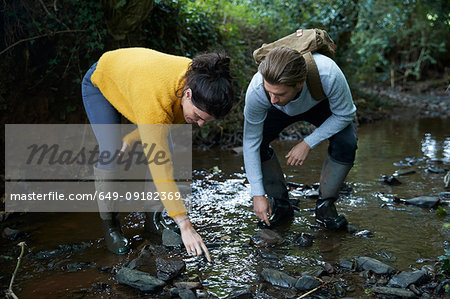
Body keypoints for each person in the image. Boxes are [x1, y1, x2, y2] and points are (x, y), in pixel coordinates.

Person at [81, 47, 233, 259]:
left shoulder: (201, 79)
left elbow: (156, 125)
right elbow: (159, 163)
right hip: (102, 82)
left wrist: (131, 138)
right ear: (187, 95)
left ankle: (153, 220)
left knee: (166, 148)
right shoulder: (157, 95)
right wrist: (184, 223)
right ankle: (111, 226)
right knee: (112, 151)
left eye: (205, 121)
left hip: (138, 87)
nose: (199, 124)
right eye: (198, 116)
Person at [243, 47, 357, 231]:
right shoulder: (258, 90)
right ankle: (280, 205)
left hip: (320, 104)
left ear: (300, 84)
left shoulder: (328, 73)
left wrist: (308, 143)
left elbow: (346, 114)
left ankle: (325, 207)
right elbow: (250, 143)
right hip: (279, 112)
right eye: (269, 91)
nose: (272, 98)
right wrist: (257, 194)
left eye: (279, 94)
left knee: (347, 143)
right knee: (260, 142)